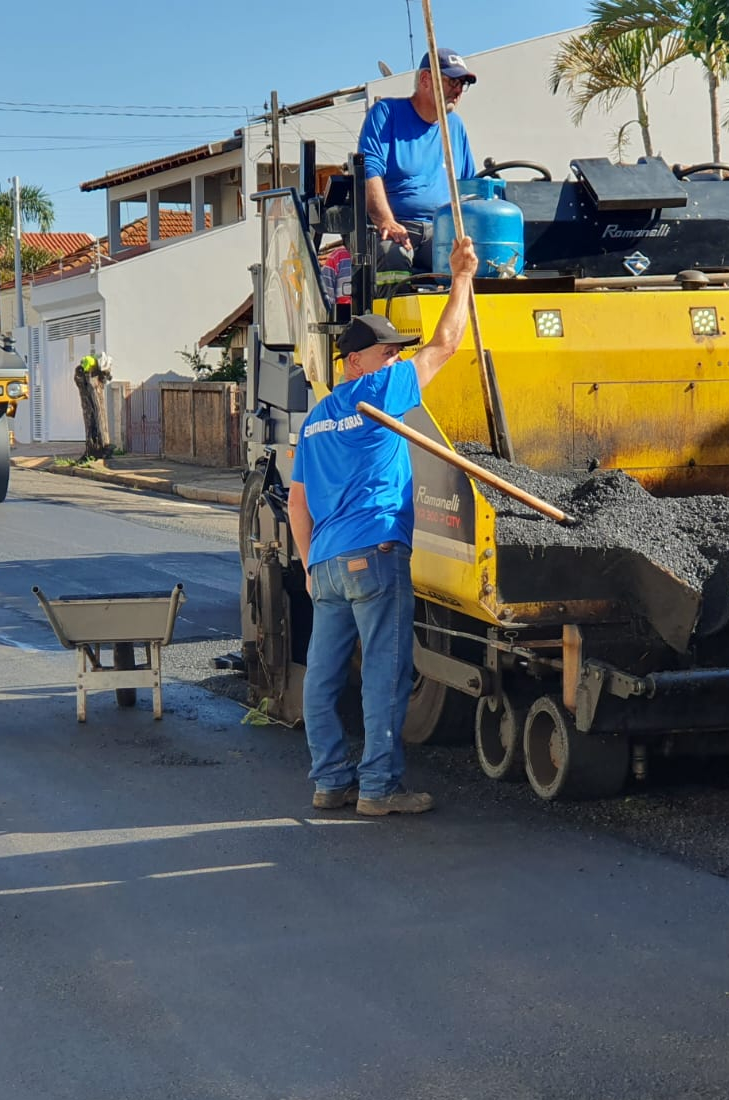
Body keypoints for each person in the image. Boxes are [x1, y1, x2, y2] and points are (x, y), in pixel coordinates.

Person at [287, 235, 479, 816]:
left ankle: (330, 782)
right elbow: (446, 344)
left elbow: (297, 503)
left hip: (326, 563)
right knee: (385, 675)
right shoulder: (376, 394)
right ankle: (378, 789)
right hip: (375, 554)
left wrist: (311, 565)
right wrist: (462, 277)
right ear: (356, 362)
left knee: (321, 680)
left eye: (396, 353)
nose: (394, 359)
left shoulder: (318, 417)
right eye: (386, 352)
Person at [357, 47, 477, 271]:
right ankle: (388, 305)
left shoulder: (456, 127)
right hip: (400, 227)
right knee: (391, 253)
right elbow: (370, 171)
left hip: (442, 231)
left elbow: (470, 188)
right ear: (425, 79)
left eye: (463, 84)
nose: (458, 90)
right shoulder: (386, 114)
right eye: (452, 82)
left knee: (478, 259)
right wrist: (386, 221)